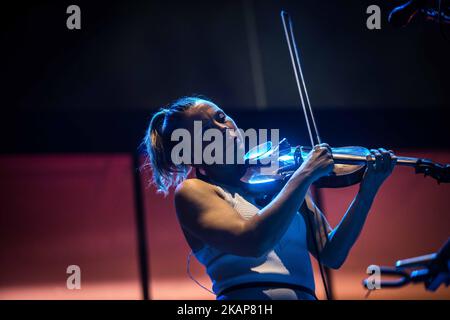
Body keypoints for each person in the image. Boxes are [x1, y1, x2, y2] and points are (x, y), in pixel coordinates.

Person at [142, 96, 397, 300]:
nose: (223, 127)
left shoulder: (278, 181)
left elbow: (332, 253)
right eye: (206, 131)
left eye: (221, 117)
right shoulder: (195, 191)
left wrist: (367, 192)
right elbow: (253, 242)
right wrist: (303, 175)